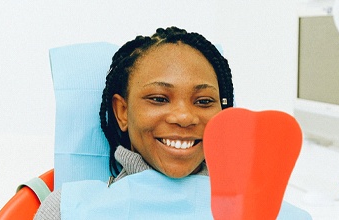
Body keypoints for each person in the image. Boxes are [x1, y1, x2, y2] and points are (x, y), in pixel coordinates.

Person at [34, 26, 234, 219]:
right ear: (122, 112)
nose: (183, 117)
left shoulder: (254, 206)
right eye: (159, 99)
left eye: (204, 101)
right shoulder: (67, 211)